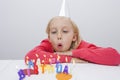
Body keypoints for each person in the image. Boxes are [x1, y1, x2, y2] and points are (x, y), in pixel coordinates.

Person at [25, 16, 120, 66]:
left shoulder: (81, 45)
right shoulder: (48, 44)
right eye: (54, 32)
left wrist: (72, 53)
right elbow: (29, 57)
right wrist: (68, 59)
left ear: (74, 37)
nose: (59, 36)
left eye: (65, 31)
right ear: (49, 37)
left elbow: (115, 57)